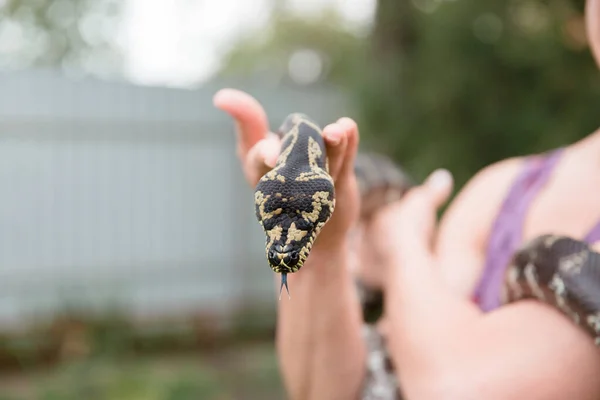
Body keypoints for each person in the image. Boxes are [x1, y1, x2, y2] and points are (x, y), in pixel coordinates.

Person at [212, 1, 600, 398]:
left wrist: (400, 242)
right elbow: (326, 392)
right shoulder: (502, 190)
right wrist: (323, 253)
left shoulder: (441, 218)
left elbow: (458, 390)